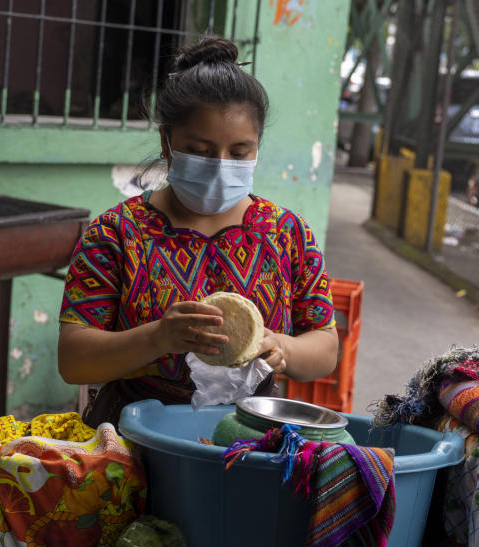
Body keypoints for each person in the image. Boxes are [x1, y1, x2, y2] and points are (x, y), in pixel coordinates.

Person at [57, 37, 339, 427]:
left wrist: (282, 346)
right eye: (201, 150)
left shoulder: (287, 234)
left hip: (250, 437)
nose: (221, 165)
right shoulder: (116, 233)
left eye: (240, 153)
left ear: (257, 147)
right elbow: (73, 360)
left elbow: (324, 349)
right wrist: (158, 337)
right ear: (167, 142)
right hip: (133, 440)